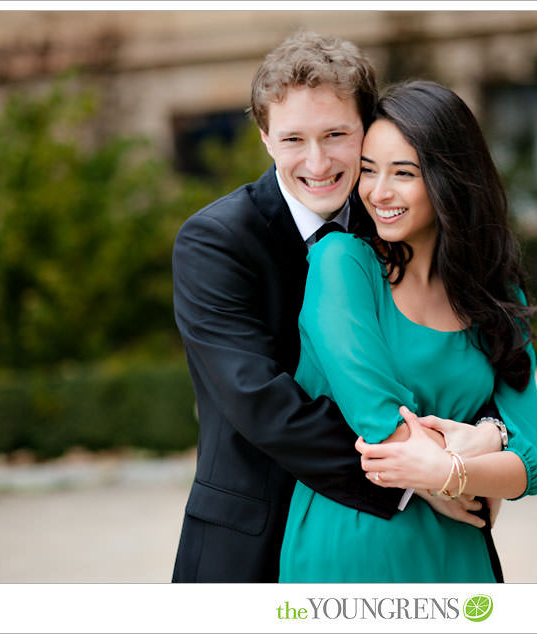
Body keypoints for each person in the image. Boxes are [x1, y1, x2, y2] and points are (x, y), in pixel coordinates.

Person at [171, 32, 500, 583]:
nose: (317, 161)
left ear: (367, 130)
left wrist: (484, 442)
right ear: (265, 138)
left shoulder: (399, 217)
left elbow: (470, 356)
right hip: (254, 542)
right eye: (293, 138)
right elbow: (261, 400)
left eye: (336, 135)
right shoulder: (215, 242)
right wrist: (417, 477)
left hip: (411, 546)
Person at [278, 80, 537, 583]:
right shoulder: (342, 263)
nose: (378, 193)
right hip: (356, 542)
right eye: (368, 170)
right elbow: (380, 421)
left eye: (403, 173)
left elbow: (534, 462)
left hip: (463, 551)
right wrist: (478, 454)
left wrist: (465, 463)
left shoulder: (496, 292)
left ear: (450, 179)